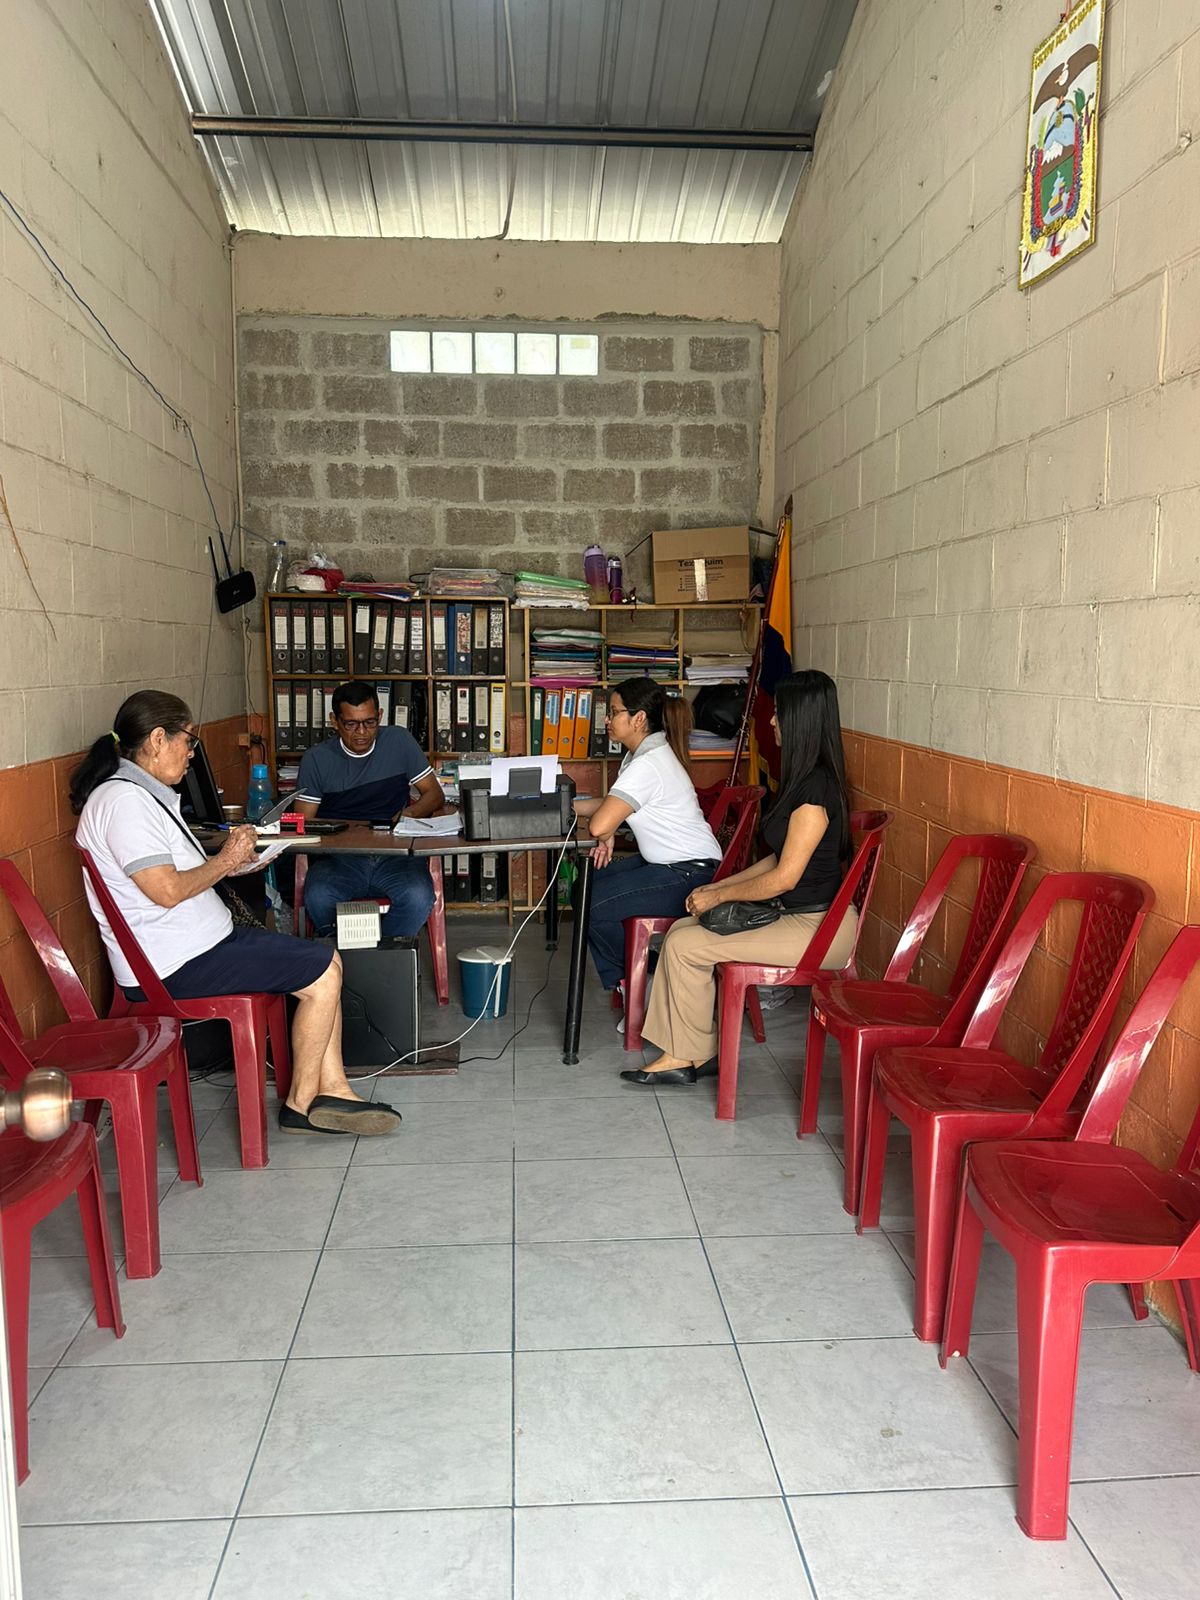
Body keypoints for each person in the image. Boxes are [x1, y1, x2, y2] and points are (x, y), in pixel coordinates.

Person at [71, 690, 399, 1137]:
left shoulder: (140, 795)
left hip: (194, 946)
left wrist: (237, 862)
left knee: (325, 961)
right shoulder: (123, 803)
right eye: (189, 741)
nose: (191, 753)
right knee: (323, 972)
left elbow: (174, 874)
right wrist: (226, 859)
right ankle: (302, 1104)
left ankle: (334, 1089)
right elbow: (166, 891)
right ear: (158, 739)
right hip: (170, 965)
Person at [622, 669, 857, 1086]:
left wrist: (718, 897)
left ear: (801, 720)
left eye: (779, 713)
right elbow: (778, 861)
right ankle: (695, 1049)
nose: (772, 721)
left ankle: (684, 1054)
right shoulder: (803, 781)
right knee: (681, 930)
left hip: (819, 928)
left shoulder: (814, 792)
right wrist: (719, 887)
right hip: (800, 917)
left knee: (686, 945)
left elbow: (784, 878)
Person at [575, 679, 722, 997]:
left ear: (638, 718)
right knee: (583, 887)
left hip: (689, 873)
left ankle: (645, 976)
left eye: (614, 712)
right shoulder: (644, 755)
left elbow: (599, 825)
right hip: (671, 864)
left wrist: (607, 830)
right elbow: (613, 805)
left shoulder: (648, 764)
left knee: (592, 904)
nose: (607, 720)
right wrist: (569, 807)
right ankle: (631, 979)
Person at [293, 679, 442, 939]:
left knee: (418, 896)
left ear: (380, 716)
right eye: (351, 724)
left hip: (395, 855)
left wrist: (407, 815)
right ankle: (347, 957)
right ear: (334, 721)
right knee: (319, 896)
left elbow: (434, 794)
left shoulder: (398, 742)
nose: (361, 732)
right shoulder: (316, 759)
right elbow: (303, 823)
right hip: (340, 860)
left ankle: (382, 954)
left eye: (370, 722)